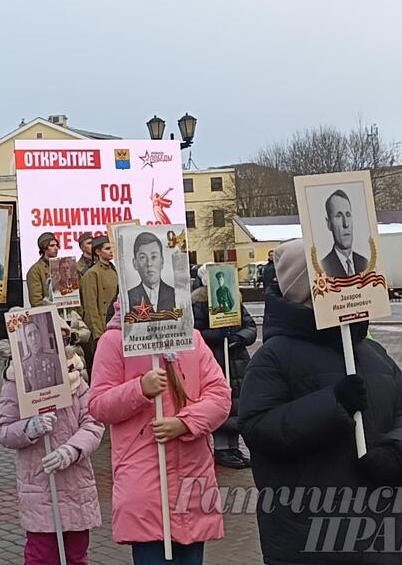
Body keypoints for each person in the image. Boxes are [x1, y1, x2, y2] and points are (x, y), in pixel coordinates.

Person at [241, 239, 402, 564]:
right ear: (308, 291)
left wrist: (400, 452)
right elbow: (259, 427)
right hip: (312, 538)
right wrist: (332, 405)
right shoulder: (273, 357)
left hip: (384, 535)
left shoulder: (370, 352)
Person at [87, 298, 231, 565]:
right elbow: (98, 405)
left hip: (192, 477)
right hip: (145, 481)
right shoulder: (114, 341)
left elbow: (220, 396)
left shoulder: (191, 336)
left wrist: (185, 422)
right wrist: (139, 389)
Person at [0, 334, 102, 565]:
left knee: (76, 556)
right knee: (41, 556)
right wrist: (30, 428)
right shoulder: (16, 381)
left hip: (76, 486)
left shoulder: (76, 378)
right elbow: (4, 432)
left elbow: (93, 424)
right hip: (40, 487)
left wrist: (72, 450)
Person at [190, 267, 256, 470]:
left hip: (236, 359)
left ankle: (233, 446)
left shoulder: (234, 300)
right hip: (215, 359)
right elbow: (196, 332)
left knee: (237, 402)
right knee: (219, 401)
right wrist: (218, 336)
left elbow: (250, 326)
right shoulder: (199, 304)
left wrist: (240, 337)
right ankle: (221, 447)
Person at [78, 236, 118, 374]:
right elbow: (91, 308)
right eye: (107, 249)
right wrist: (98, 334)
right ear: (98, 252)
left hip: (115, 326)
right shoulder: (92, 274)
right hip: (102, 328)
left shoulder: (114, 270)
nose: (111, 251)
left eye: (111, 248)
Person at [318, 189, 369, 277]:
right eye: (338, 216)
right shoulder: (323, 267)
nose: (346, 224)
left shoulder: (365, 263)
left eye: (348, 215)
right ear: (329, 224)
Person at [124, 232, 176, 315]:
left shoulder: (176, 295)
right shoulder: (126, 298)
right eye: (143, 257)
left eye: (154, 257)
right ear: (135, 263)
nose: (149, 264)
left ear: (162, 261)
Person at [19, 314, 63, 392]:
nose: (33, 338)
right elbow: (26, 391)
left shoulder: (52, 356)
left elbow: (60, 385)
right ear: (26, 341)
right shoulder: (25, 363)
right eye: (29, 335)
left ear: (40, 335)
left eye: (35, 333)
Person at [26, 232, 59, 308]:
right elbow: (36, 302)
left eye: (57, 245)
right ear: (44, 248)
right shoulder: (35, 271)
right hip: (48, 314)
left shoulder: (61, 265)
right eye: (52, 245)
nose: (56, 248)